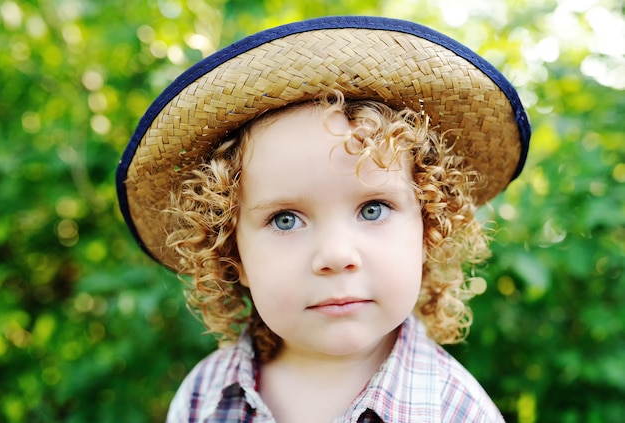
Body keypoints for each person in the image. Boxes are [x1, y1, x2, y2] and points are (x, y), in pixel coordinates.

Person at [116, 16, 530, 422]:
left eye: (373, 210)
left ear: (428, 230)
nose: (335, 254)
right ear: (232, 255)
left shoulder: (455, 410)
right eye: (285, 220)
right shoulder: (204, 398)